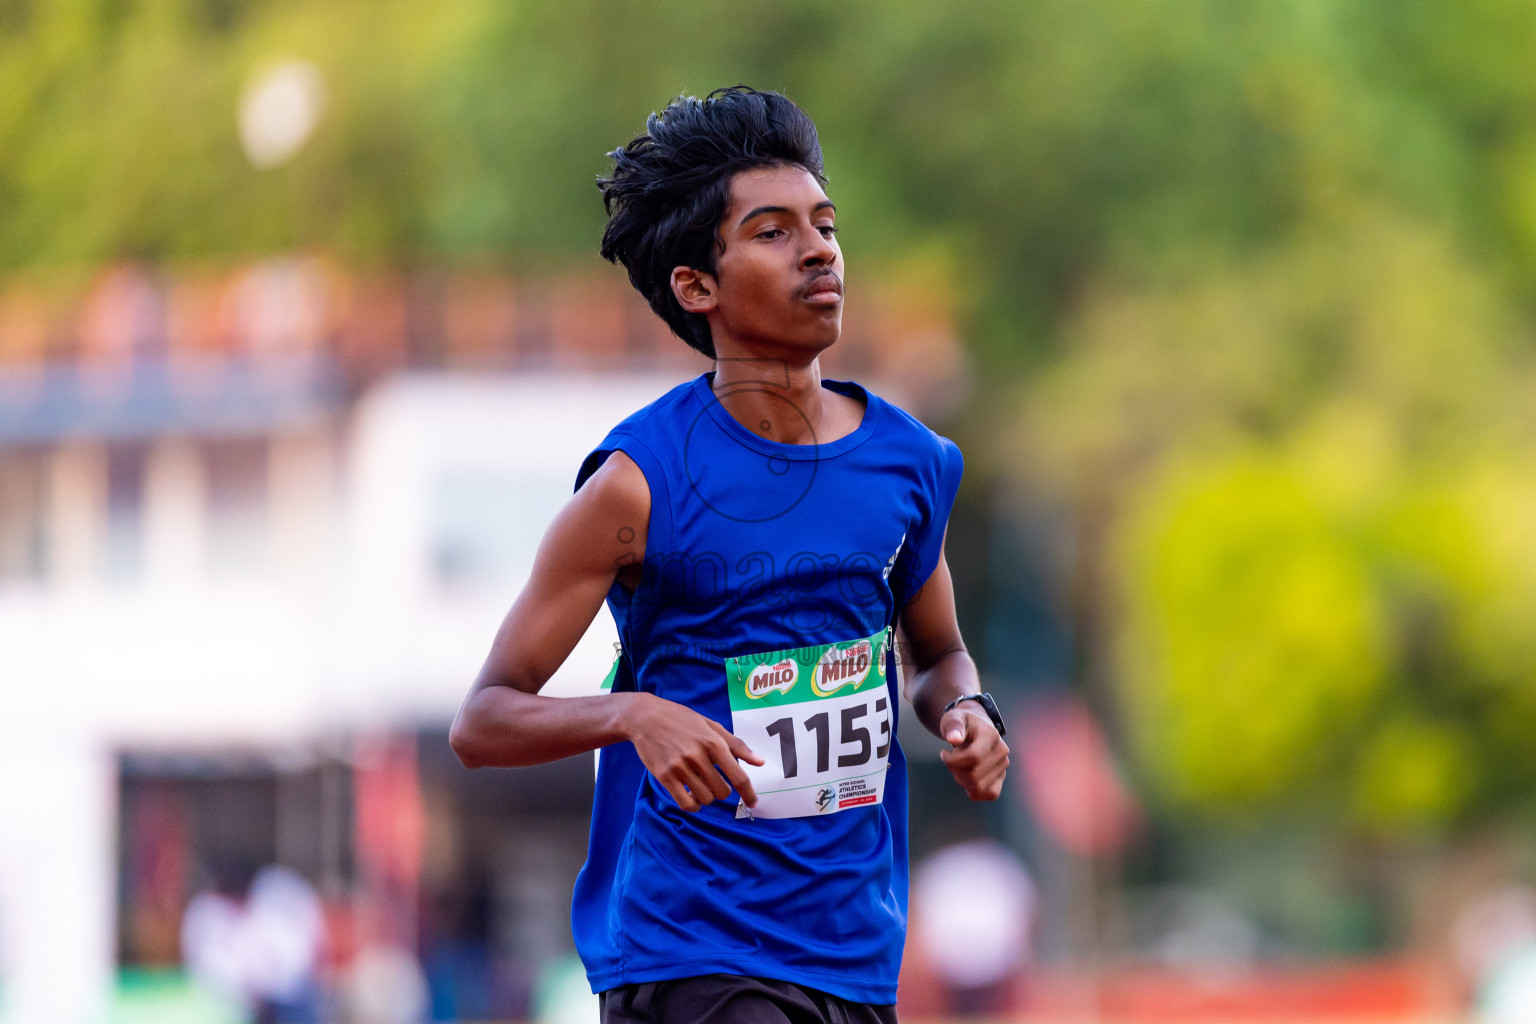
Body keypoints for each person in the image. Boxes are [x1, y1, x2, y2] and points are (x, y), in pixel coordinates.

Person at [450, 85, 1010, 1024]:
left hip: (852, 950)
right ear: (697, 287)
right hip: (690, 945)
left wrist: (968, 710)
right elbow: (484, 719)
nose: (819, 249)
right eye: (773, 231)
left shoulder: (909, 463)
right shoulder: (640, 483)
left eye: (825, 225)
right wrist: (635, 715)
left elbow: (938, 654)